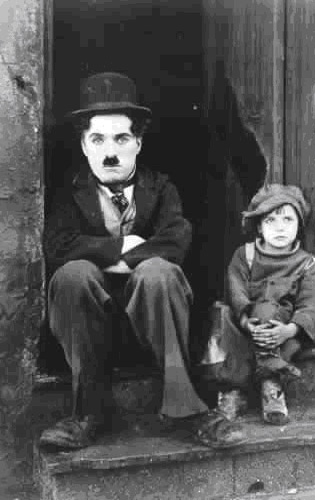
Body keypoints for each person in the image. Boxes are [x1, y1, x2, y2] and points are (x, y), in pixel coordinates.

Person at [39, 72, 246, 450]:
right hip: (87, 324)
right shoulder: (70, 190)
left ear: (138, 142)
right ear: (84, 146)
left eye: (121, 138)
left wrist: (131, 257)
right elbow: (57, 245)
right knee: (73, 274)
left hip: (157, 321)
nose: (110, 152)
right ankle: (88, 412)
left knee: (159, 272)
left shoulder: (161, 186)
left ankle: (186, 408)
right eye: (97, 139)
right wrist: (120, 249)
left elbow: (176, 241)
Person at [200, 184, 315, 431]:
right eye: (271, 220)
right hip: (244, 327)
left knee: (267, 310)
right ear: (259, 226)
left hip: (281, 333)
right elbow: (236, 293)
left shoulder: (305, 263)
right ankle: (233, 389)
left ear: (299, 225)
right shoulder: (244, 255)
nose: (280, 227)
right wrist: (246, 322)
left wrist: (288, 330)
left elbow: (311, 304)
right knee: (222, 313)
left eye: (288, 219)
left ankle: (271, 384)